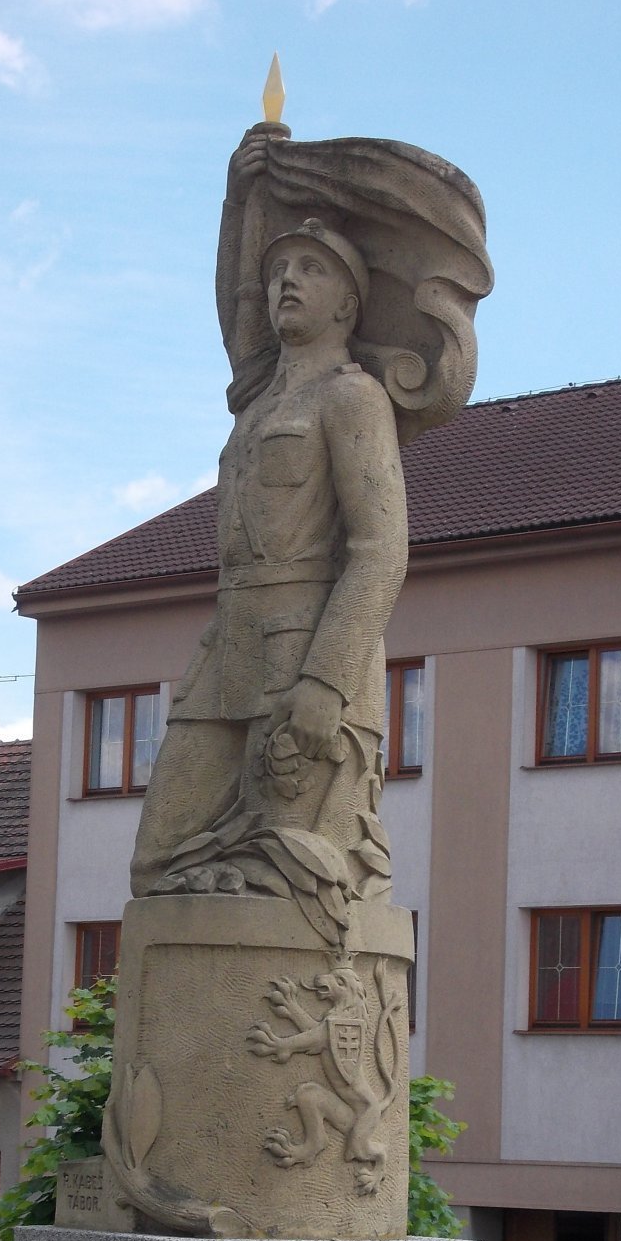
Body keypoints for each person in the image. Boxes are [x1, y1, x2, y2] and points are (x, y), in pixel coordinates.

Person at [130, 192, 408, 917]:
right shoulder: (257, 404)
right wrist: (238, 192)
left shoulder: (352, 398)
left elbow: (382, 552)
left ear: (347, 305)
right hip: (227, 651)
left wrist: (325, 681)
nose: (288, 279)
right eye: (280, 266)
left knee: (295, 876)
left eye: (311, 269)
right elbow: (236, 303)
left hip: (304, 660)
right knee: (158, 861)